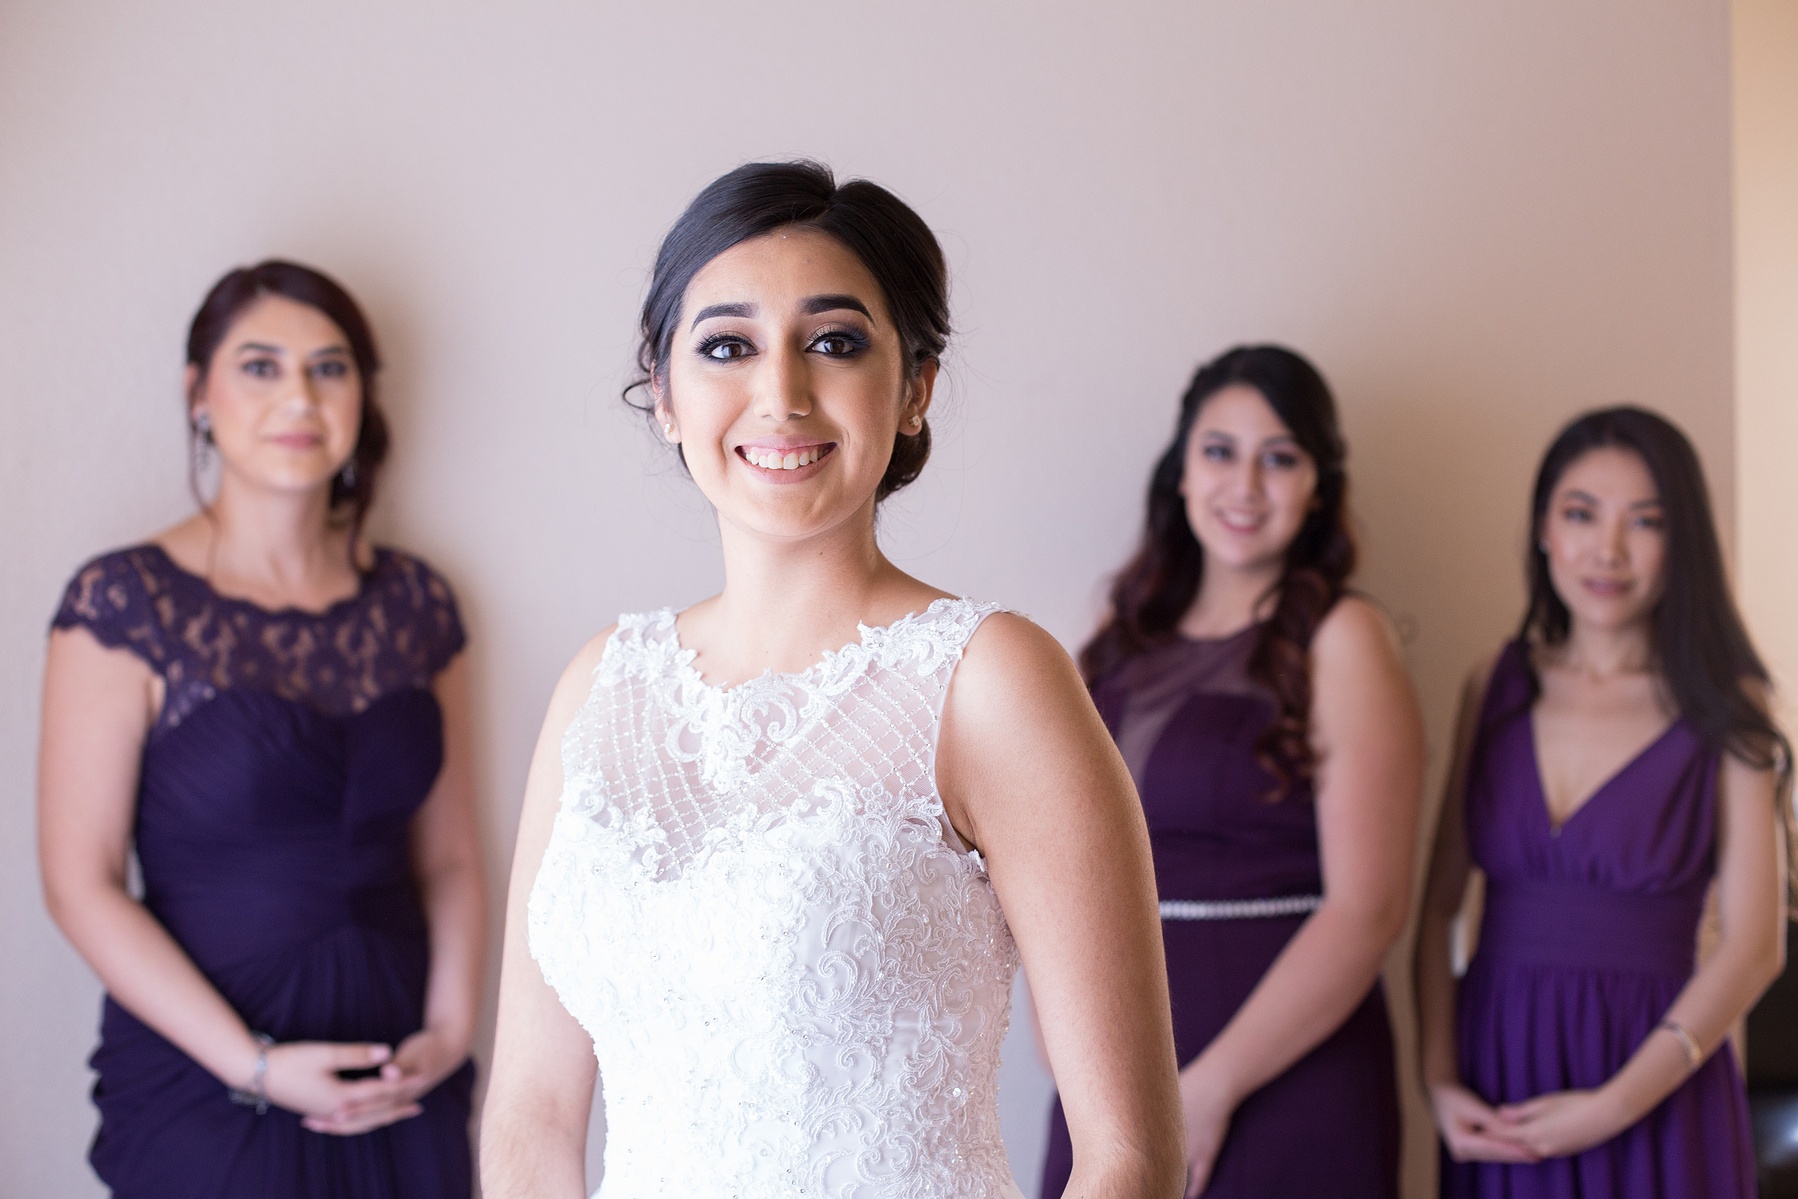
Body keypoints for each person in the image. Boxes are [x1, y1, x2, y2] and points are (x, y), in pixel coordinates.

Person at [480, 161, 1184, 1199]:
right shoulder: (598, 689)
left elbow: (1131, 1153)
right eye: (727, 346)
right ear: (664, 392)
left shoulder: (989, 679)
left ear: (915, 387)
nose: (781, 394)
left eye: (835, 342)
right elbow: (531, 1116)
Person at [38, 261, 484, 1198]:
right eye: (260, 365)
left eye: (329, 368)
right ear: (198, 394)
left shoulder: (416, 604)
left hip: (402, 1079)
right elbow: (81, 883)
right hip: (208, 1084)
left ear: (362, 396)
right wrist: (254, 1064)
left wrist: (449, 1035)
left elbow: (448, 857)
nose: (299, 397)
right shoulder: (124, 602)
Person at [1041, 345, 1423, 1199]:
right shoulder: (1119, 639)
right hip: (1115, 1070)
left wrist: (1207, 1093)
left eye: (1279, 458)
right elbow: (1058, 858)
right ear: (1181, 472)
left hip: (1287, 1070)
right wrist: (1074, 1063)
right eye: (1220, 451)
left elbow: (1370, 908)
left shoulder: (1345, 638)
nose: (1245, 485)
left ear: (1318, 486)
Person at [1415, 406, 1790, 1198]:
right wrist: (1438, 1080)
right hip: (1500, 1077)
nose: (1607, 550)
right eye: (1582, 513)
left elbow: (1756, 945)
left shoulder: (1725, 704)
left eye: (1645, 521)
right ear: (1543, 527)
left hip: (1656, 1080)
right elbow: (1439, 905)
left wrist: (1615, 1104)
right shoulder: (1494, 684)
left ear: (1682, 542)